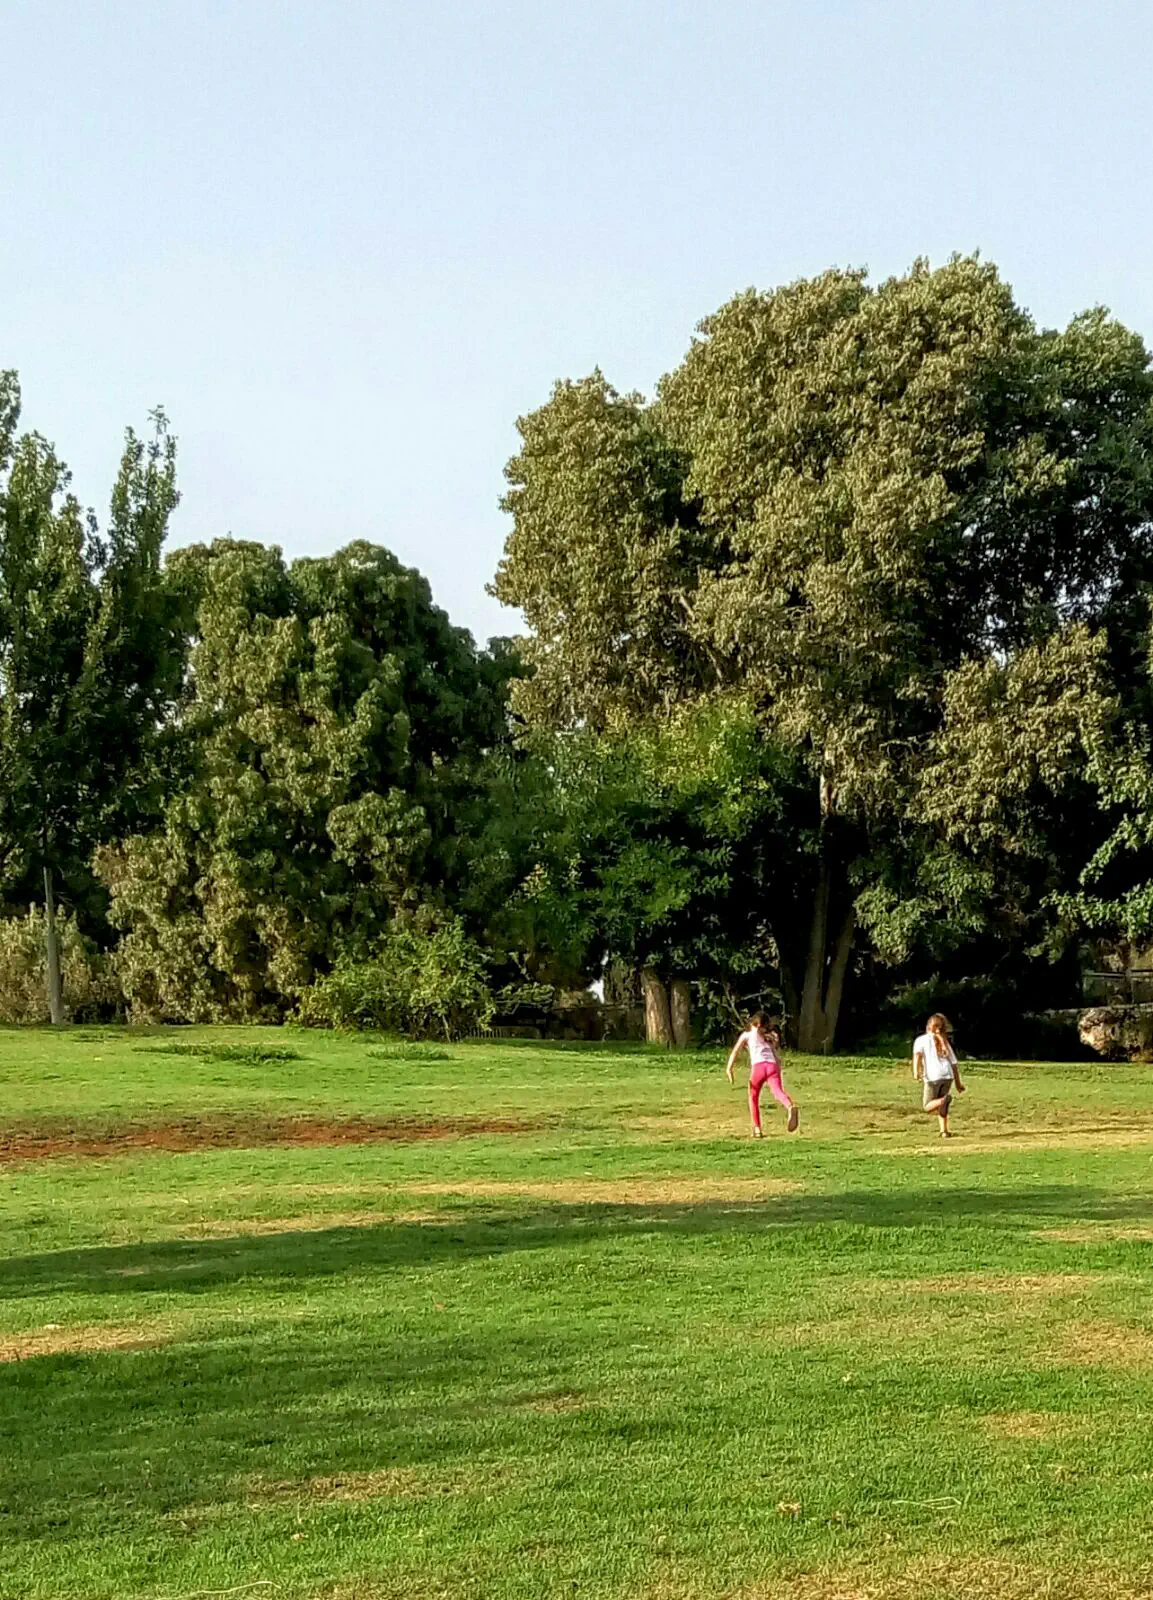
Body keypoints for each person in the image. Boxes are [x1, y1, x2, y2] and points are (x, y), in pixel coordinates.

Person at [726, 1013, 799, 1137]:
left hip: (758, 1067)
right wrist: (778, 1069)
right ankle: (790, 1106)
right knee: (777, 1092)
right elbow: (776, 1057)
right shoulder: (768, 1038)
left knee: (753, 1096)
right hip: (772, 1066)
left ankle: (757, 1128)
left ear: (753, 1023)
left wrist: (729, 1069)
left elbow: (735, 1052)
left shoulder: (747, 1035)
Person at [912, 1012, 965, 1137]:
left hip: (933, 1077)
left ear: (928, 1026)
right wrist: (958, 1083)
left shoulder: (921, 1040)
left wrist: (916, 1072)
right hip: (947, 1076)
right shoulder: (944, 1041)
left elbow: (917, 1057)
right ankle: (944, 1131)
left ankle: (944, 1100)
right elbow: (954, 1064)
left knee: (927, 1106)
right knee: (942, 1104)